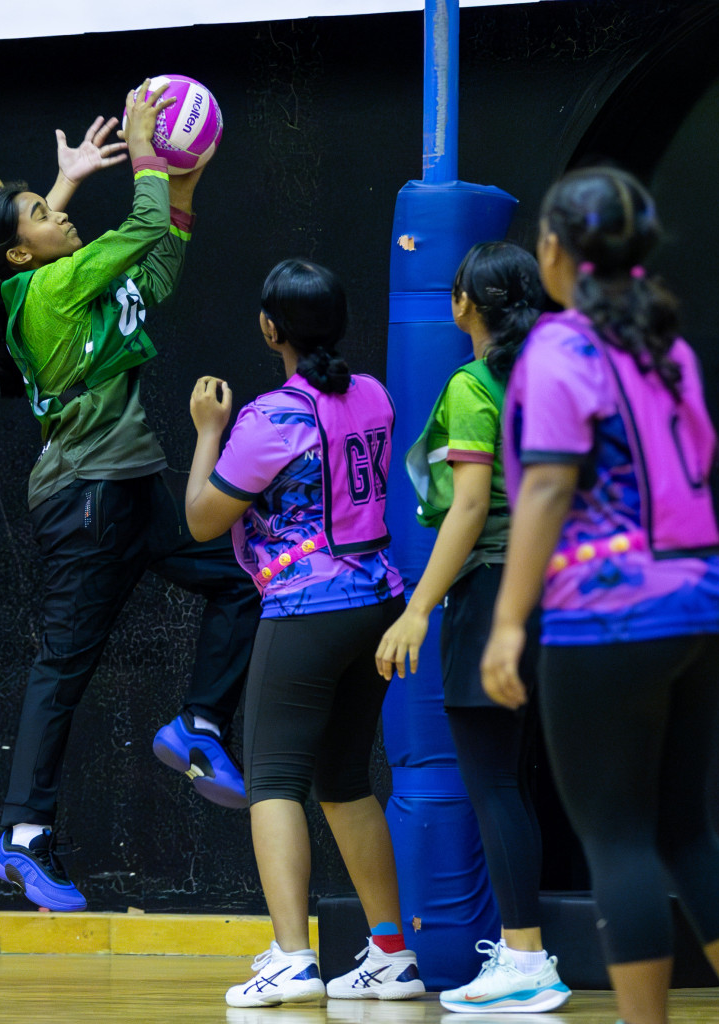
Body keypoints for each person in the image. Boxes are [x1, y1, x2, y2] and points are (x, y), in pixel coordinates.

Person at [480, 166, 719, 1024]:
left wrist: (507, 624)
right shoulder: (667, 346)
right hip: (706, 600)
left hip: (608, 612)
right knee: (686, 827)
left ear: (555, 250)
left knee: (617, 837)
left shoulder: (560, 349)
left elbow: (543, 488)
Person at [0, 83, 258, 913]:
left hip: (129, 485)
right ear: (21, 253)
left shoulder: (79, 283)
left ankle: (196, 725)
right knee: (63, 667)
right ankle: (21, 839)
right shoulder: (45, 290)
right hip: (84, 499)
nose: (61, 214)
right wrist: (150, 158)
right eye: (43, 214)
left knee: (239, 582)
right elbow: (139, 229)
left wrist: (183, 186)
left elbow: (155, 265)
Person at [185, 260, 423, 1007]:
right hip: (378, 597)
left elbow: (200, 519)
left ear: (269, 328)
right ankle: (391, 954)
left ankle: (292, 957)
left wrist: (208, 432)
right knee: (346, 780)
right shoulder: (376, 395)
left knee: (273, 781)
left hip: (308, 607)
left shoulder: (269, 418)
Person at [374, 242, 571, 1013]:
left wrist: (417, 608)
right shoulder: (561, 377)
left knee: (494, 784)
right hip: (580, 596)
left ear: (462, 305)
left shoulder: (471, 383)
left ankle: (525, 961)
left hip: (494, 595)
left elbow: (466, 507)